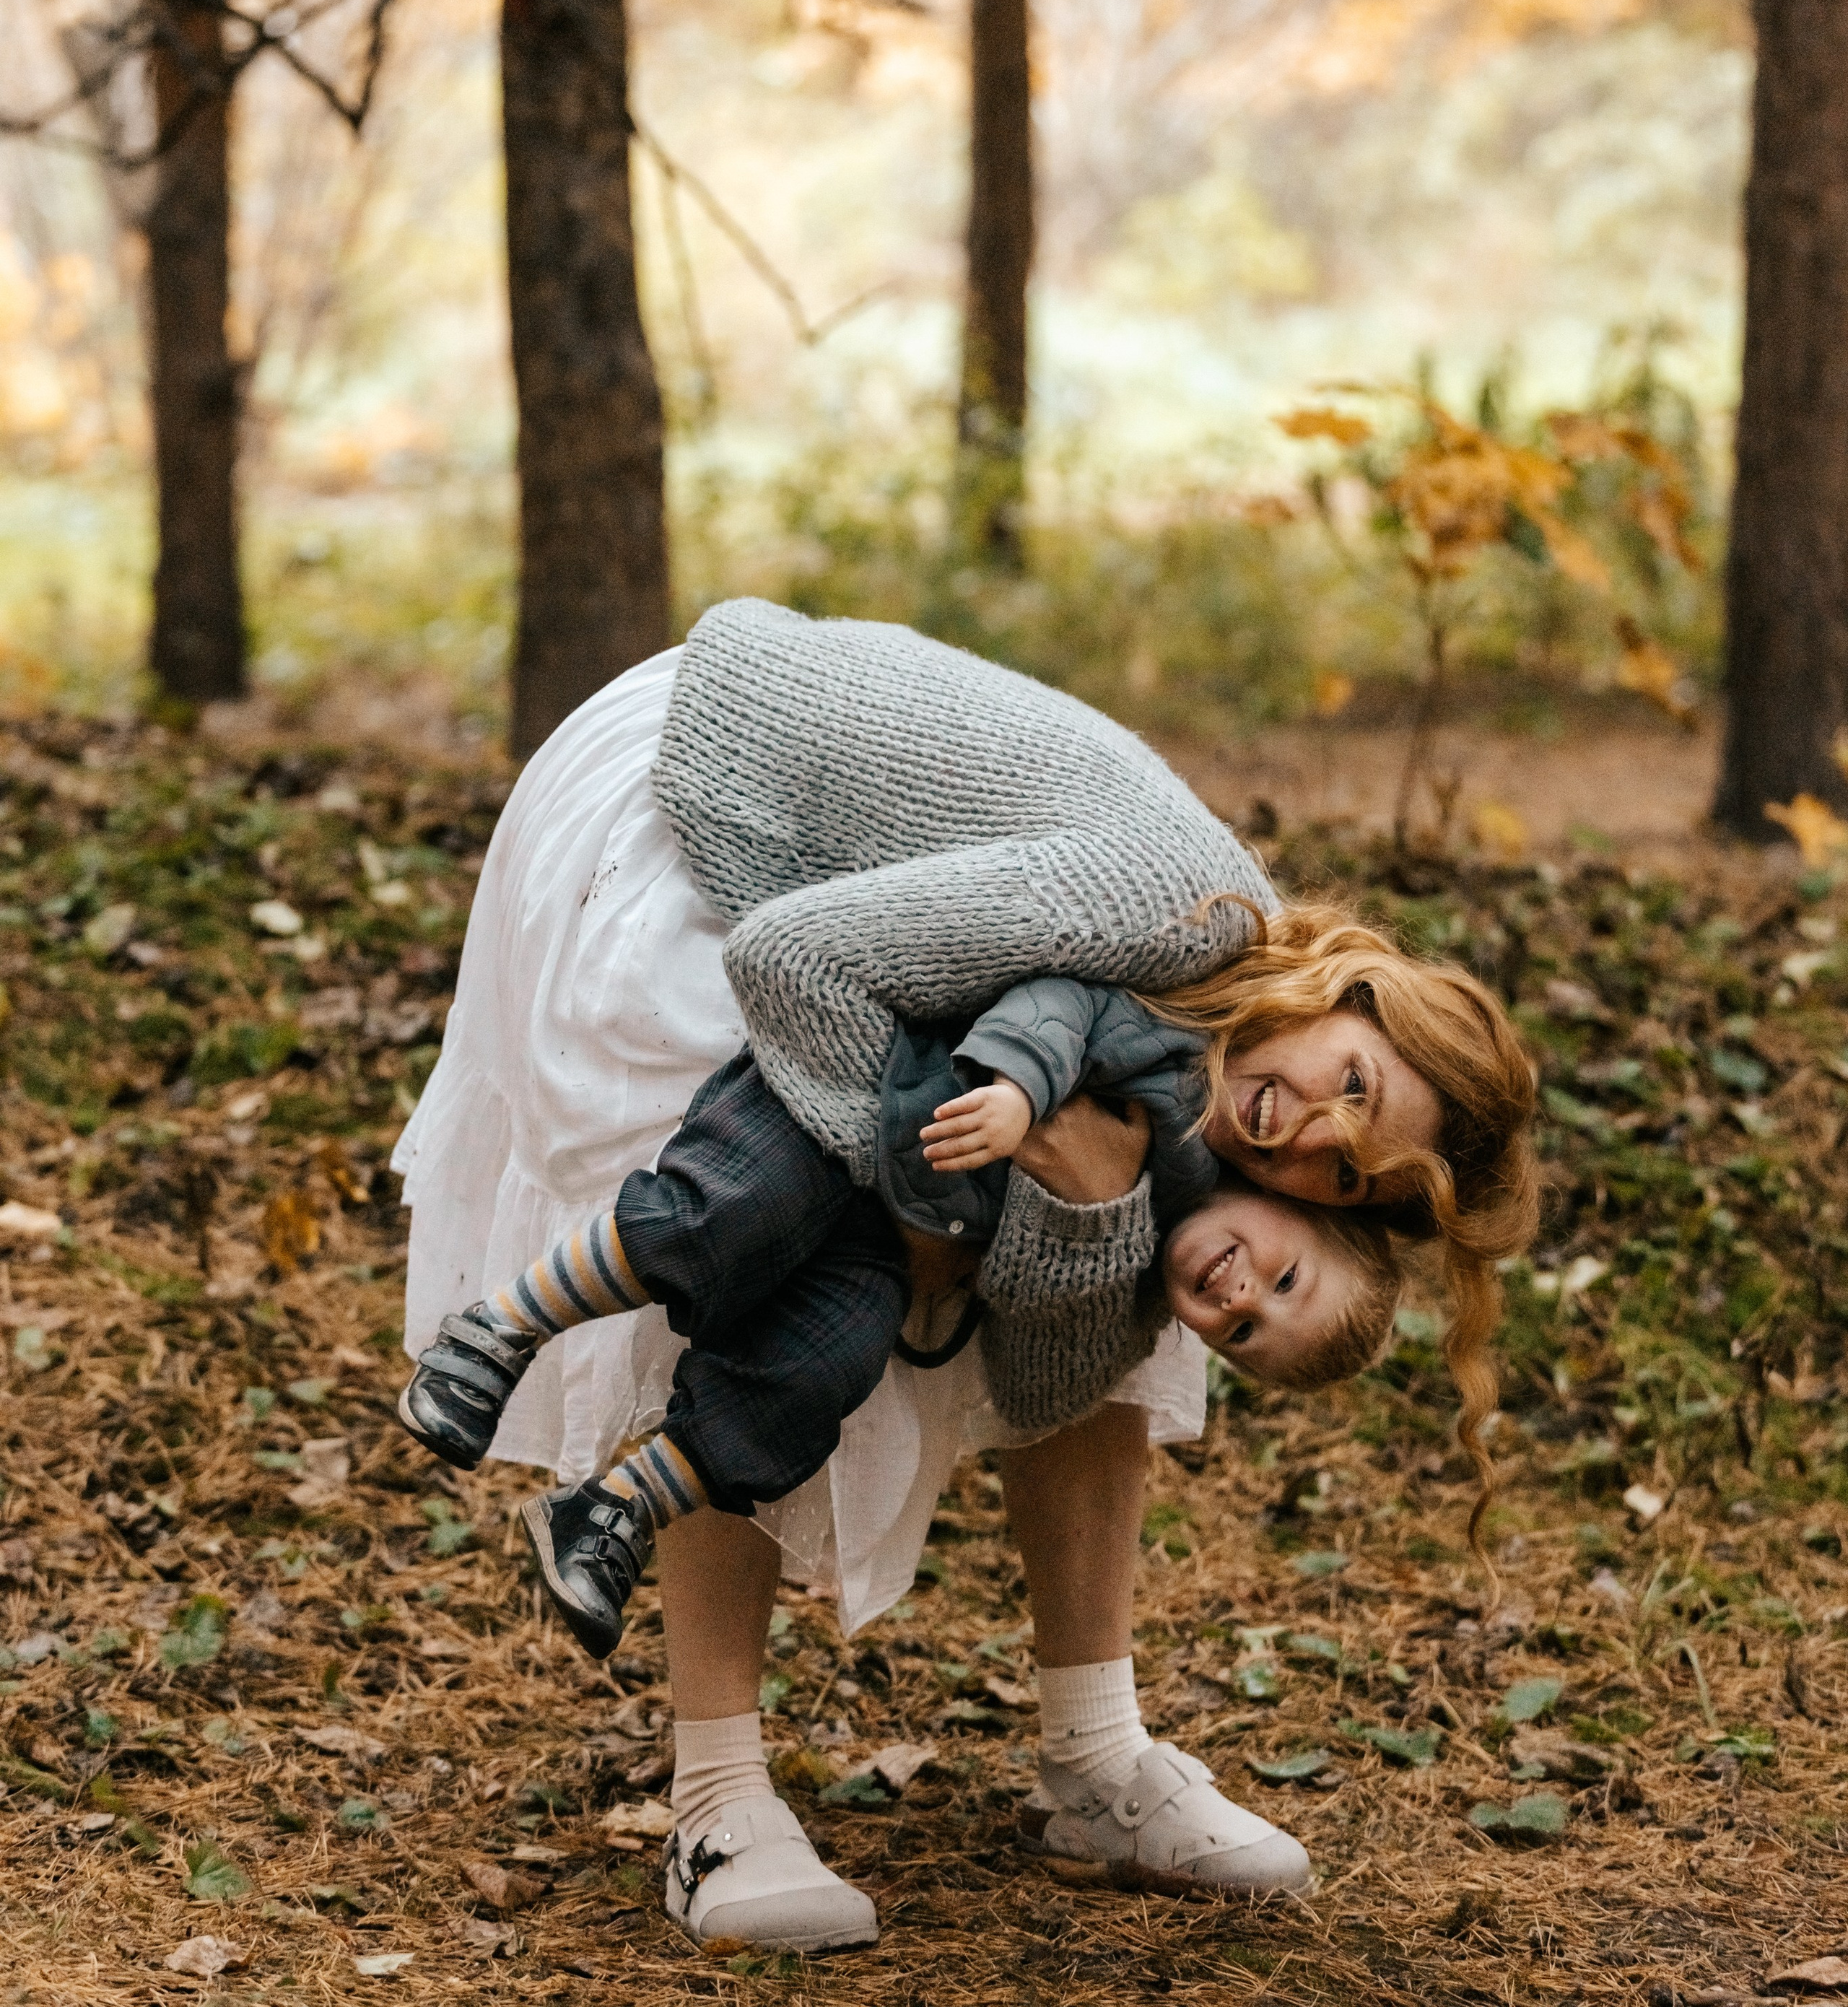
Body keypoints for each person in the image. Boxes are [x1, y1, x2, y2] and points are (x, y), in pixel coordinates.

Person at [393, 600, 1538, 1954]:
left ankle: (1095, 1754)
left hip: (873, 922)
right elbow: (796, 958)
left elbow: (1066, 1349)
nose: (1315, 1135)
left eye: (1351, 1174)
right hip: (717, 787)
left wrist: (1091, 1197)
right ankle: (716, 1793)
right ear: (1352, 992)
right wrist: (918, 1207)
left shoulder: (1228, 1058)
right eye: (1357, 1082)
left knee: (1188, 1230)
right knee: (761, 1197)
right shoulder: (1173, 902)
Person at [396, 990, 1405, 1663]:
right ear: (1308, 1212)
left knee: (810, 1377)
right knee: (718, 1217)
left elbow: (1041, 1376)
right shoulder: (1194, 1085)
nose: (1240, 1299)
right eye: (1283, 1276)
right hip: (854, 1108)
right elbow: (1069, 1003)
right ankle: (495, 1331)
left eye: (1243, 1333)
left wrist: (1084, 1228)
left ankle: (609, 1510)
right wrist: (1019, 1087)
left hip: (895, 1235)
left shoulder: (1148, 1271)